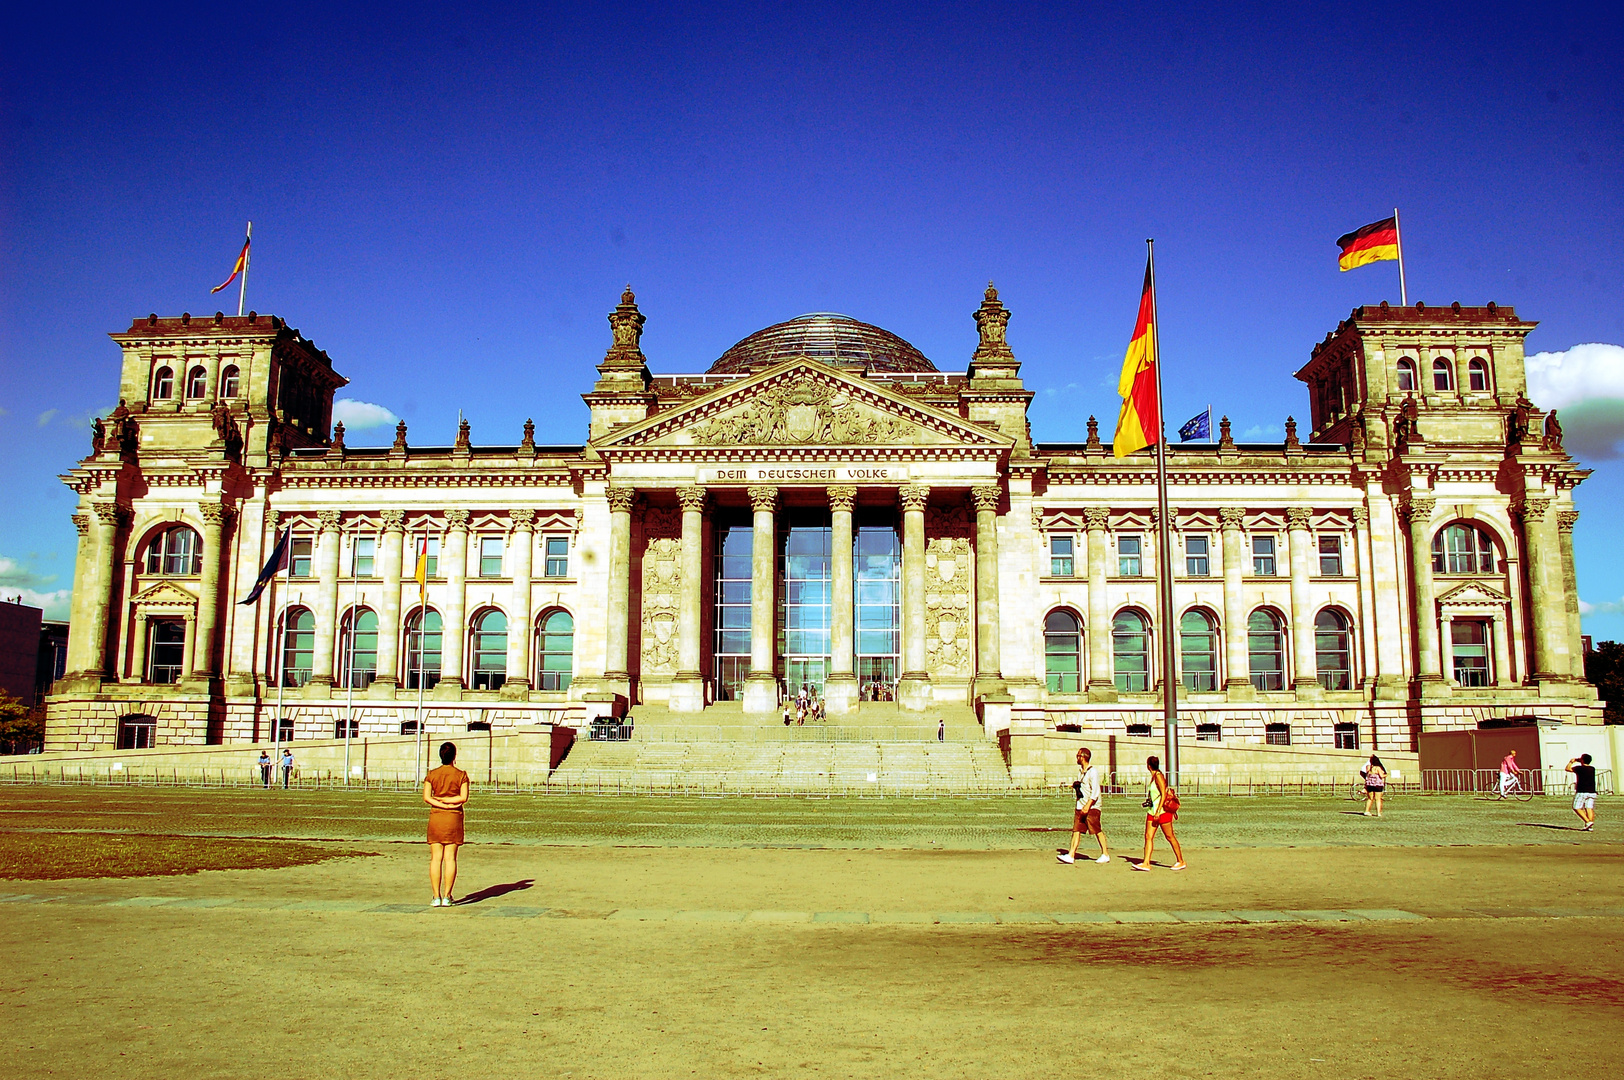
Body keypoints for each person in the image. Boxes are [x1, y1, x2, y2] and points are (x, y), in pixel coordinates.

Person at [422, 741, 470, 907]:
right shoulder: (461, 775)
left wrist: (440, 802)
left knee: (436, 859)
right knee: (450, 858)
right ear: (454, 756)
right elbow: (463, 797)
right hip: (453, 817)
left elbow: (427, 797)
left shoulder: (432, 774)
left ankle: (436, 896)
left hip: (436, 816)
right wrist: (450, 803)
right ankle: (447, 896)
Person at [1131, 755, 1185, 872]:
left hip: (1162, 812)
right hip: (1152, 811)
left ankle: (1180, 861)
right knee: (1148, 836)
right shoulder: (1154, 776)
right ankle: (1146, 862)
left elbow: (1163, 794)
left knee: (1169, 836)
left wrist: (1158, 811)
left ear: (1148, 766)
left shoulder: (1159, 777)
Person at [1058, 747, 1110, 864]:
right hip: (1080, 805)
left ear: (1083, 757)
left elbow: (1095, 791)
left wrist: (1088, 805)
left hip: (1091, 807)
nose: (1076, 758)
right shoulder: (1081, 772)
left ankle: (1105, 853)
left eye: (1078, 756)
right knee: (1076, 830)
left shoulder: (1093, 772)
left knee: (1096, 830)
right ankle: (1071, 855)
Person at [1567, 754, 1597, 831]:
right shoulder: (1592, 768)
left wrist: (1571, 762)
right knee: (1589, 808)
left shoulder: (1579, 768)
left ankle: (1587, 822)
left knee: (1576, 807)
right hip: (1592, 791)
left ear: (1582, 760)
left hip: (1582, 791)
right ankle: (1590, 825)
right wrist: (1579, 760)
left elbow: (1568, 769)